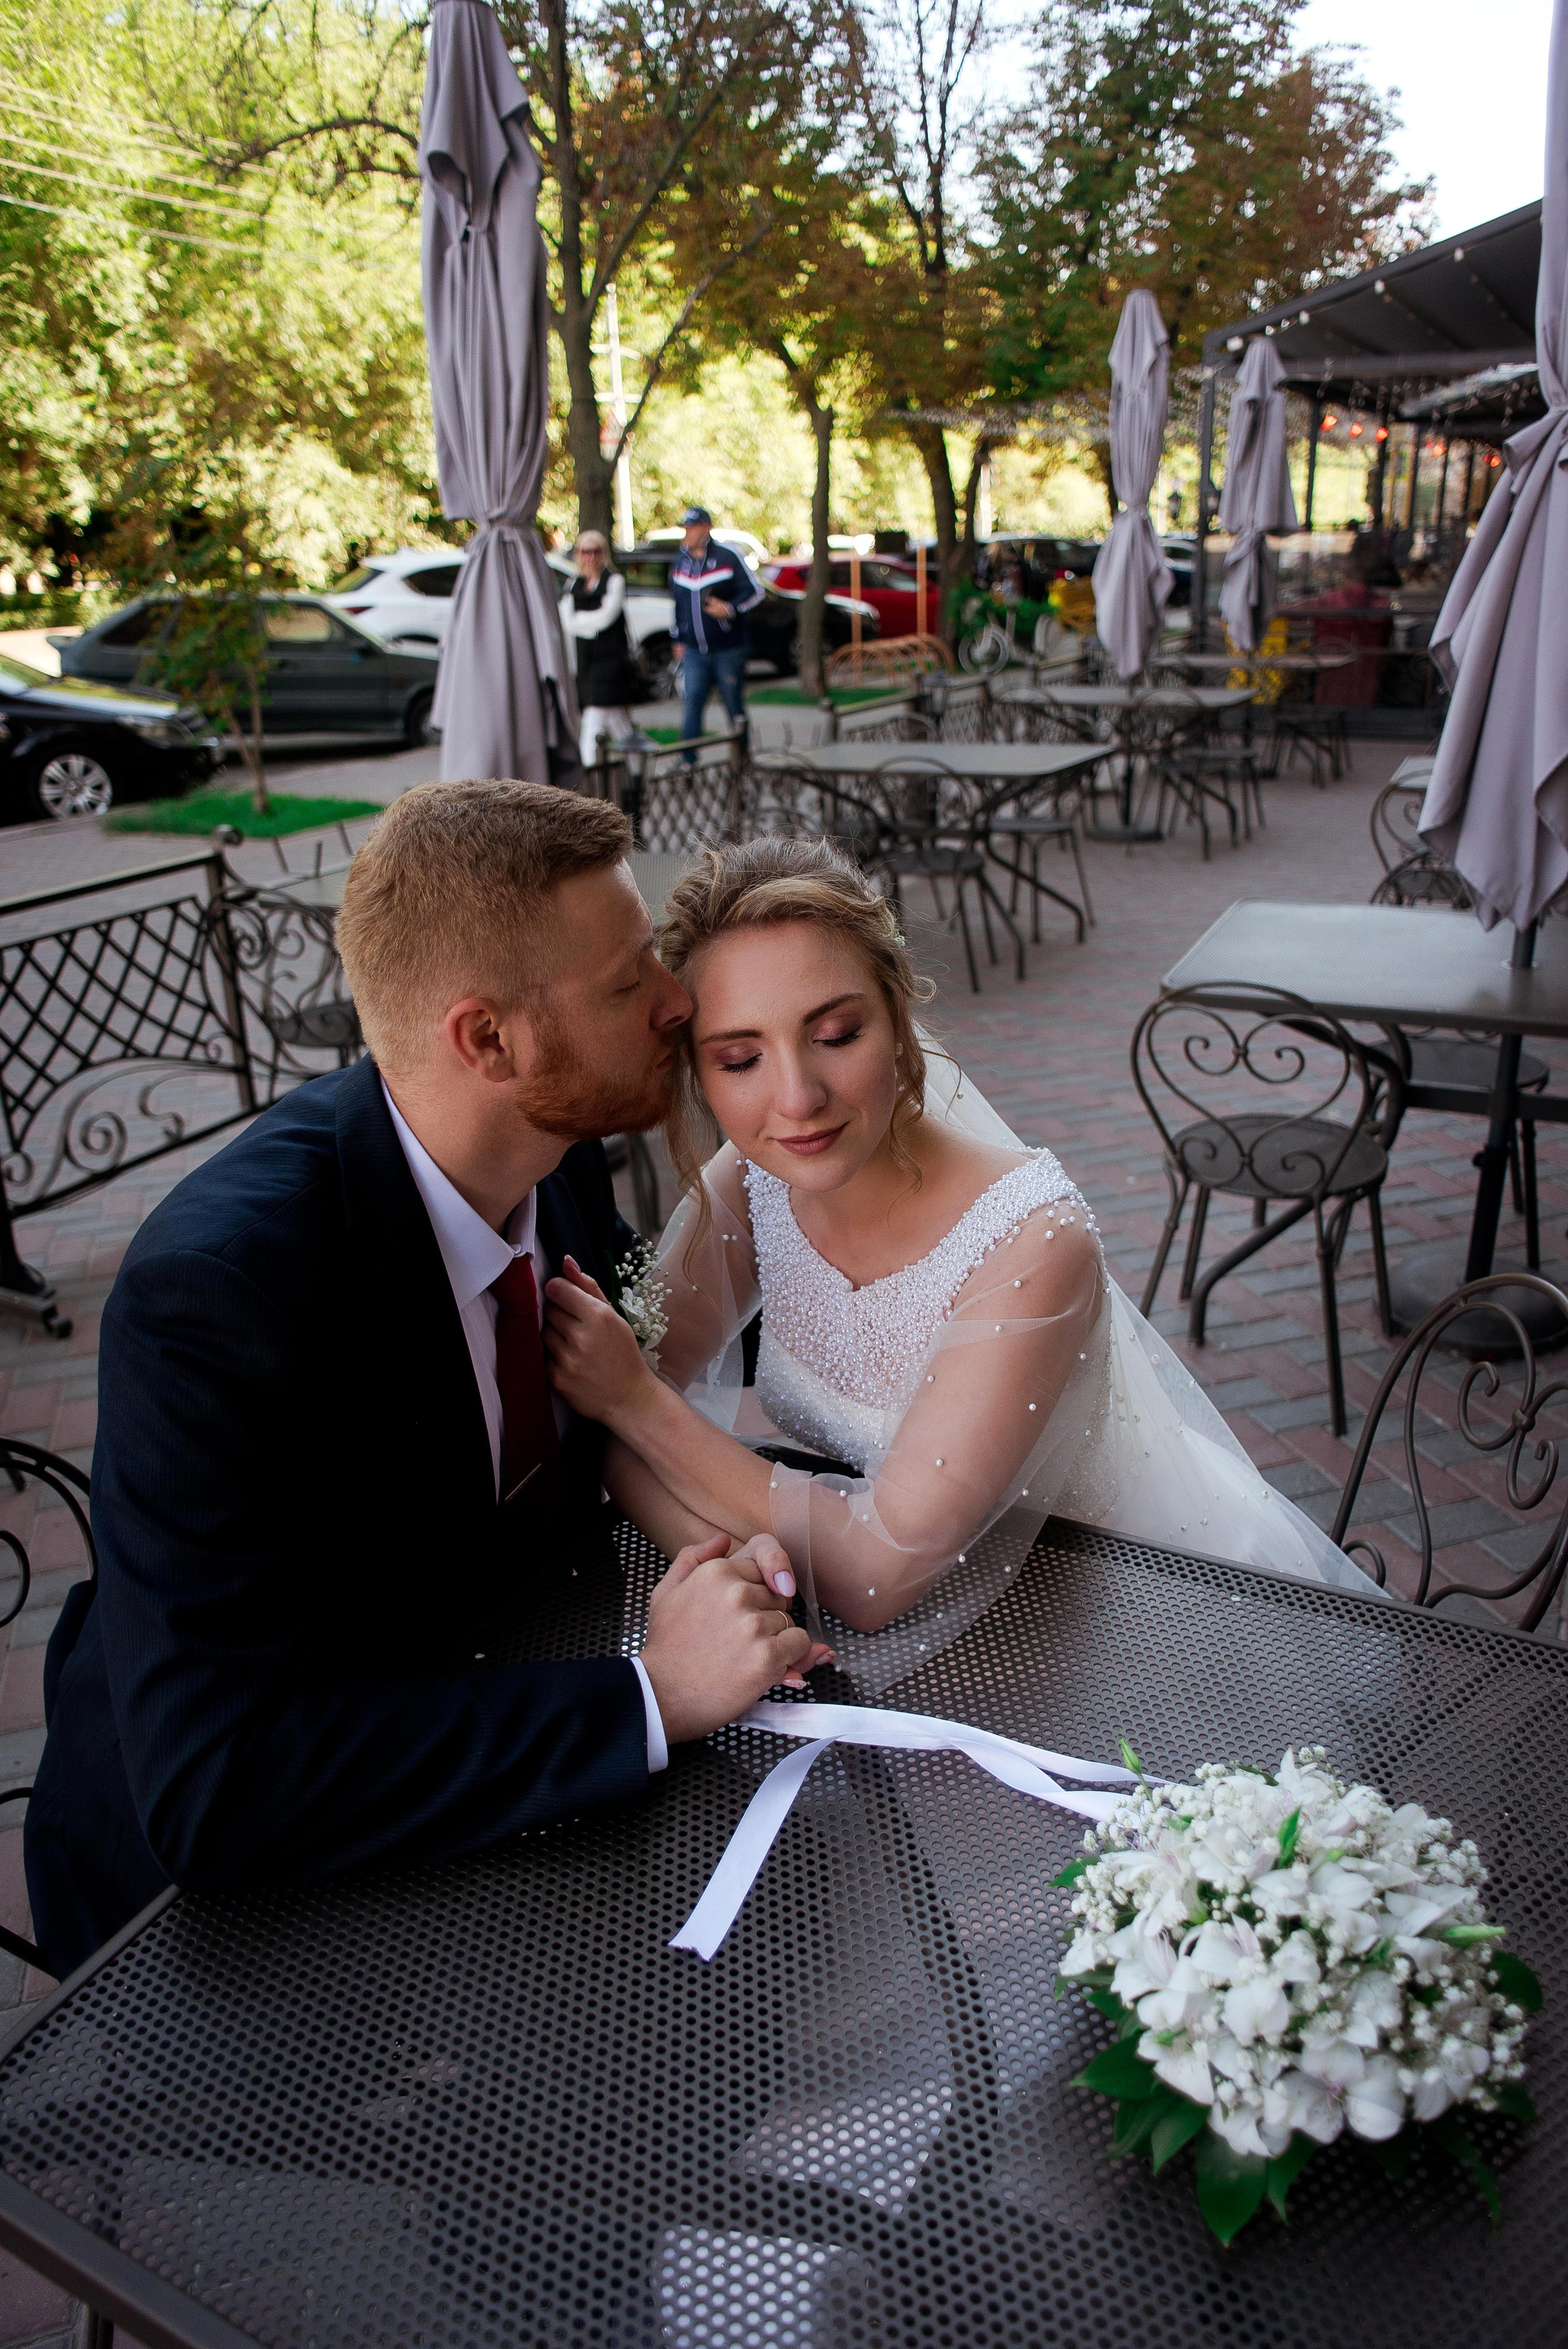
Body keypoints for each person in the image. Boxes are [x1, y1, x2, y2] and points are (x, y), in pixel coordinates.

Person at [25, 783, 824, 1978]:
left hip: (487, 1707)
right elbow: (221, 1785)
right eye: (626, 985)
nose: (676, 1003)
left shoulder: (550, 1163)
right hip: (228, 1918)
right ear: (486, 1039)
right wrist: (648, 1695)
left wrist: (720, 1550)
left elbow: (585, 1444)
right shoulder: (221, 1294)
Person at [544, 837, 1374, 1695]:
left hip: (1114, 1615)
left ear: (899, 1015)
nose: (796, 1098)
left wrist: (636, 1403)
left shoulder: (1032, 1242)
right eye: (741, 1058)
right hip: (892, 1623)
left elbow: (871, 1572)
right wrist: (725, 1557)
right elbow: (613, 1426)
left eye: (835, 1034)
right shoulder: (755, 1179)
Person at [669, 507, 764, 769]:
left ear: (706, 528)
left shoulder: (727, 556)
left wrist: (730, 608)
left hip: (728, 648)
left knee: (733, 702)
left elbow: (755, 592)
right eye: (685, 528)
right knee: (693, 701)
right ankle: (688, 760)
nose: (688, 533)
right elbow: (677, 604)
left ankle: (743, 758)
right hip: (694, 650)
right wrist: (678, 638)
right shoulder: (681, 562)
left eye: (693, 527)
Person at [559, 530, 639, 769]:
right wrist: (590, 623)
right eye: (586, 551)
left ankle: (589, 772)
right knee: (617, 722)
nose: (591, 557)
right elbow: (567, 622)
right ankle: (637, 767)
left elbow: (607, 617)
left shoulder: (614, 581)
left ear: (603, 554)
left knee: (594, 718)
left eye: (596, 551)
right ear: (579, 554)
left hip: (611, 661)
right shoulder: (573, 583)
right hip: (586, 661)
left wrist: (582, 622)